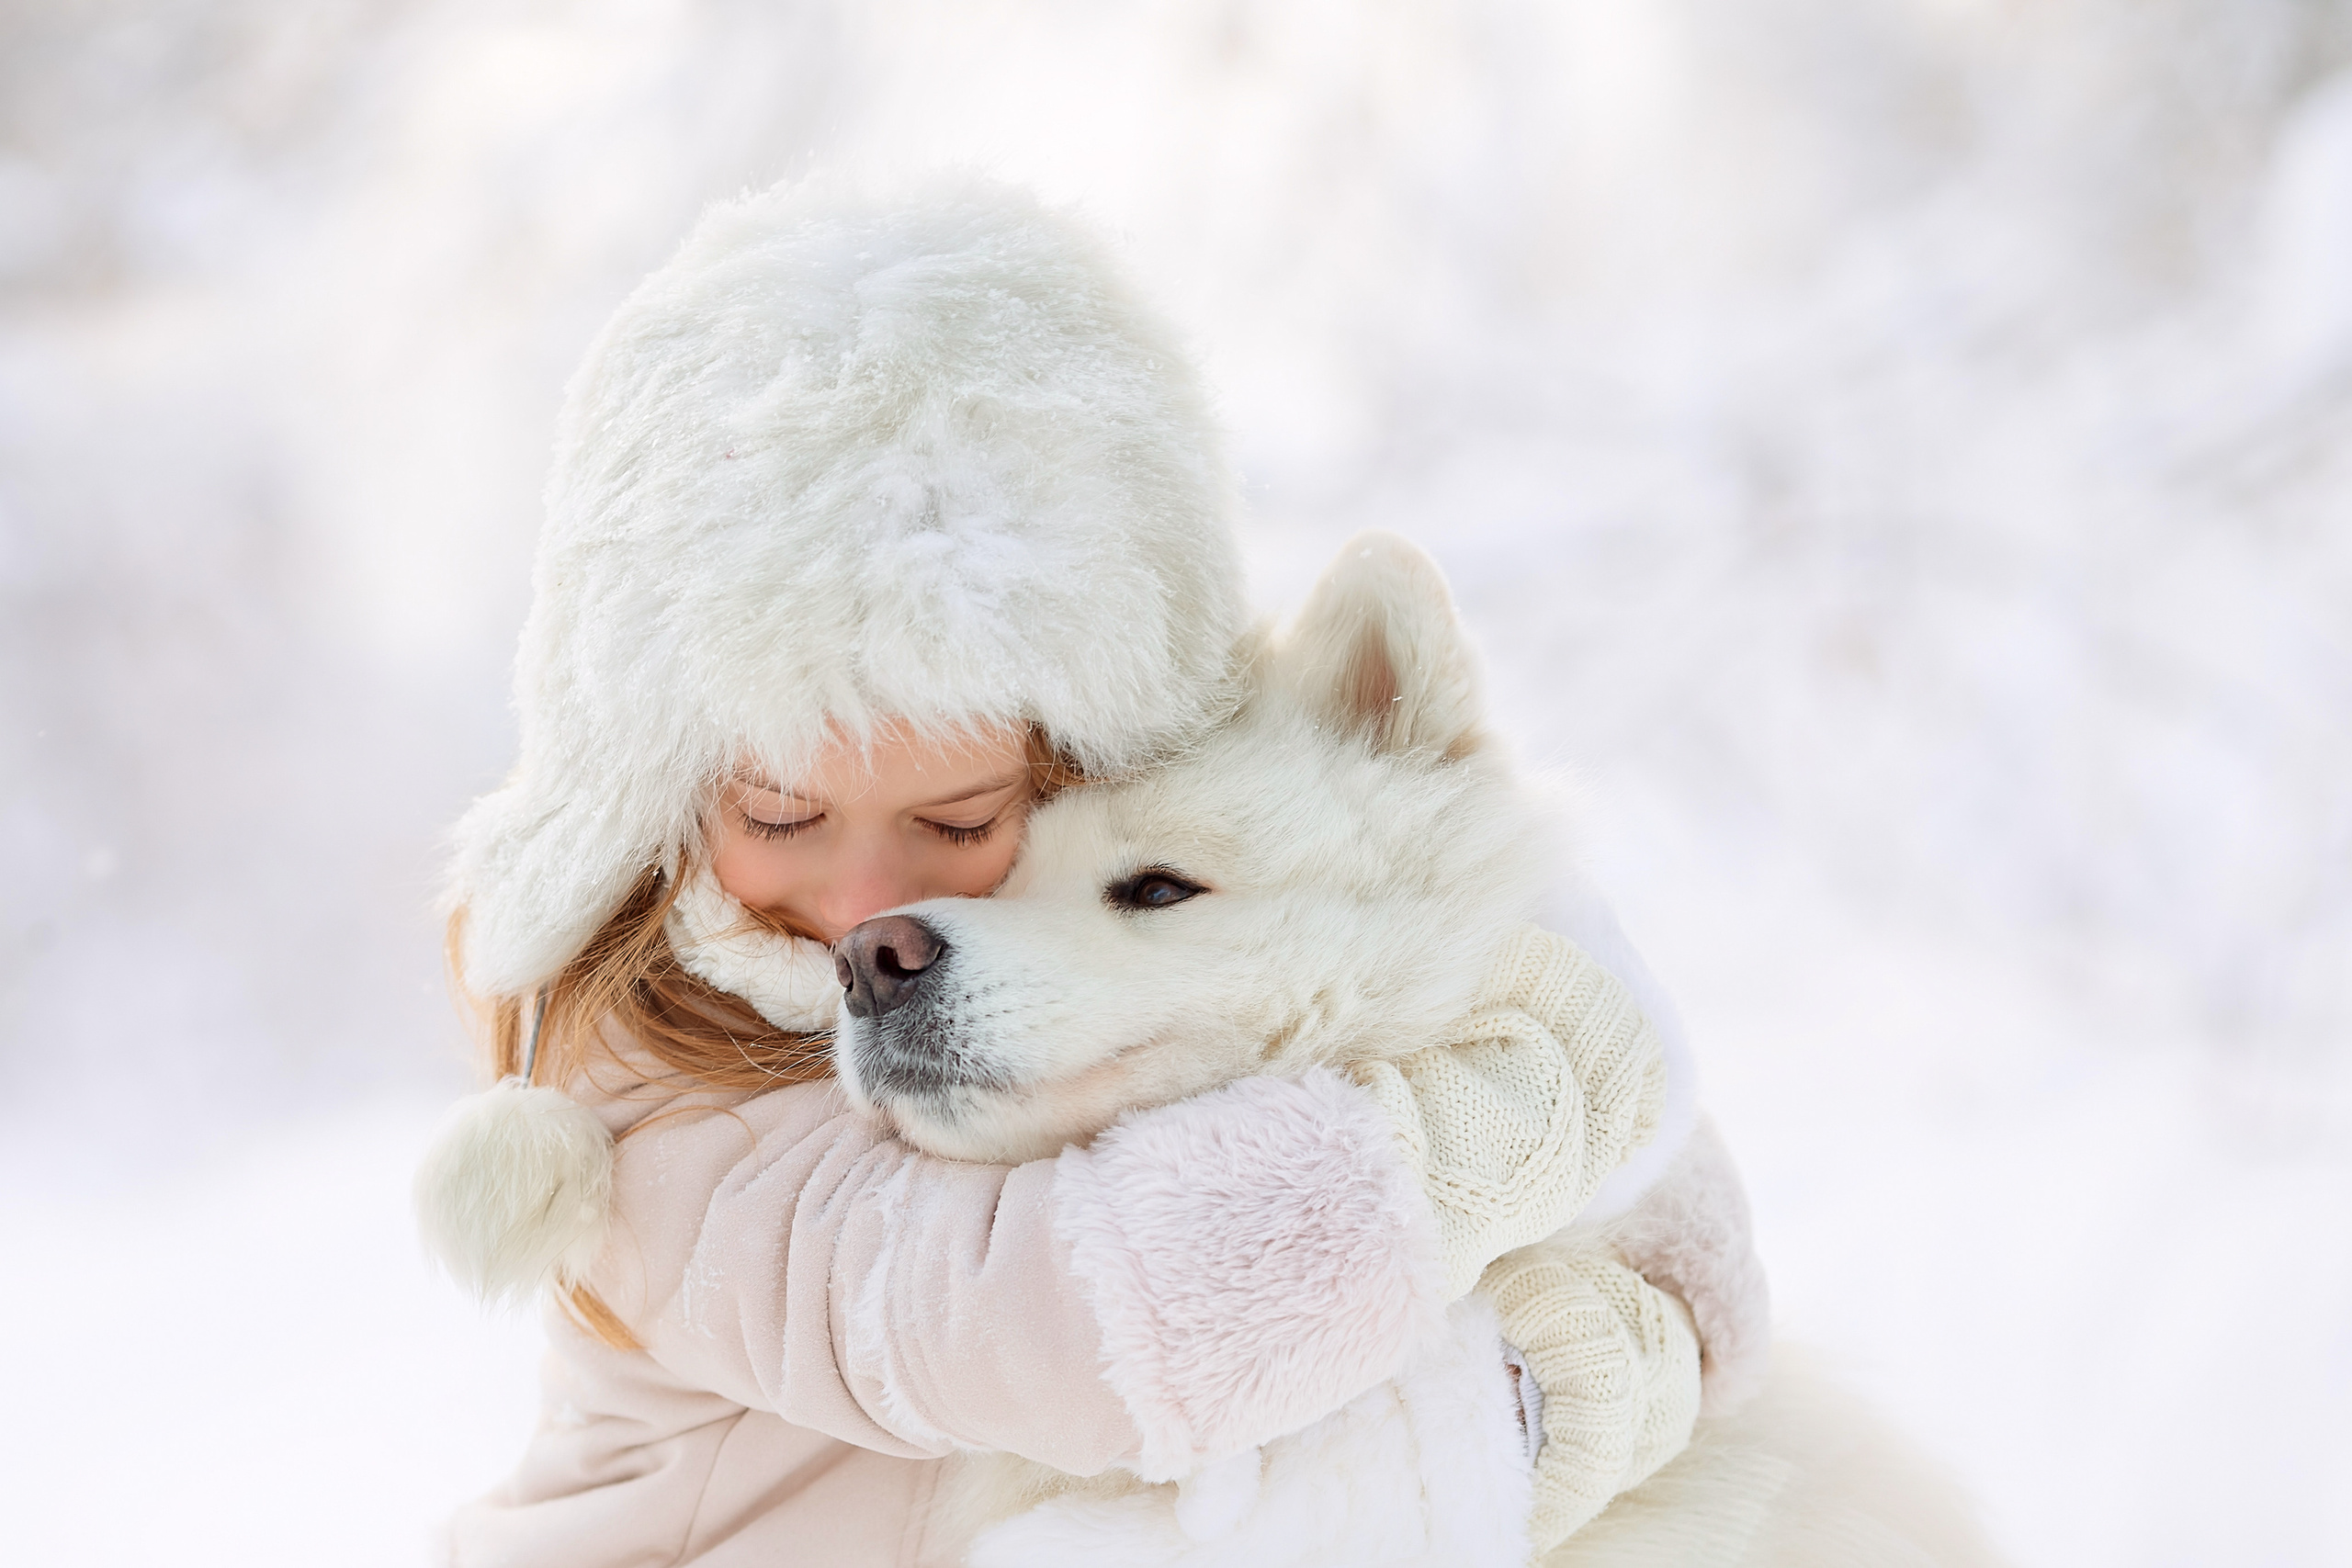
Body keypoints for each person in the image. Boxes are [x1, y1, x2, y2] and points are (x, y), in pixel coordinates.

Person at [417, 175, 1765, 1565]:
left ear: (1071, 761)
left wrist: (1588, 1375)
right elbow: (1071, 1323)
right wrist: (1535, 1093)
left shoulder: (1075, 949)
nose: (873, 910)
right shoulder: (647, 1104)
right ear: (653, 787)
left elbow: (1699, 1264)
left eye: (957, 823)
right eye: (781, 815)